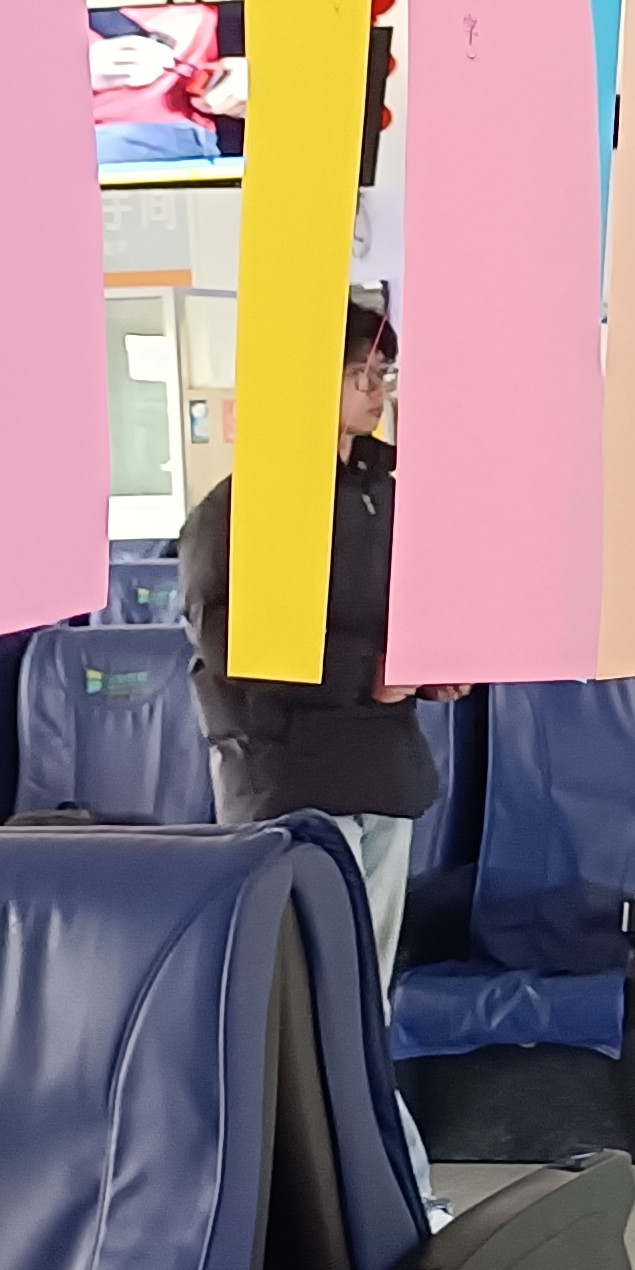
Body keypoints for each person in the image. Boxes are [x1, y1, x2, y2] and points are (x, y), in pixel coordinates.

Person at [182, 294, 449, 999]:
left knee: (368, 979)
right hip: (289, 768)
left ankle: (368, 1073)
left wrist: (434, 665)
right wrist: (369, 672)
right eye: (361, 374)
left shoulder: (390, 493)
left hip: (383, 761)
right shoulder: (238, 508)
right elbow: (231, 640)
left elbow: (409, 604)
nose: (376, 390)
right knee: (311, 981)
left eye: (383, 374)